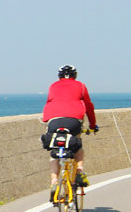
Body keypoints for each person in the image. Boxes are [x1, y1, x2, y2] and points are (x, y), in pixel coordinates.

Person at [41, 65, 99, 195]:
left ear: (59, 76)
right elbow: (89, 107)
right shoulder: (81, 86)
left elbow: (49, 103)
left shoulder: (53, 86)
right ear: (75, 75)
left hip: (53, 120)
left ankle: (54, 180)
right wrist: (92, 125)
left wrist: (47, 121)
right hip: (73, 121)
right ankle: (79, 170)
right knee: (77, 145)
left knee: (54, 151)